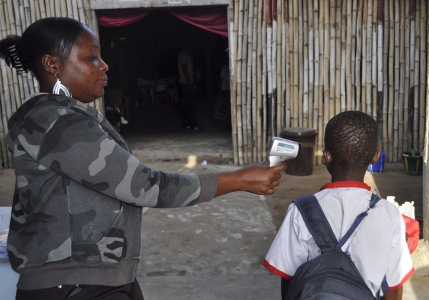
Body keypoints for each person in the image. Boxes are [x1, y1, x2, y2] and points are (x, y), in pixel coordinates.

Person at [0, 17, 286, 300]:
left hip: (89, 277)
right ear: (53, 65)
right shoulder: (57, 123)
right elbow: (143, 185)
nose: (104, 65)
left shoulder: (62, 118)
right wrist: (237, 179)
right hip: (73, 282)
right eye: (91, 58)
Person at [263, 111, 414, 300]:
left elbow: (289, 279)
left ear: (327, 156)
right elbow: (393, 287)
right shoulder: (390, 214)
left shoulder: (301, 210)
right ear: (376, 156)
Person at [177, 48, 201, 130]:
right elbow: (185, 71)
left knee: (188, 104)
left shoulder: (188, 54)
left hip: (188, 82)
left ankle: (187, 124)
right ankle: (193, 124)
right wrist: (190, 84)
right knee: (190, 104)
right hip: (185, 83)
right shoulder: (183, 55)